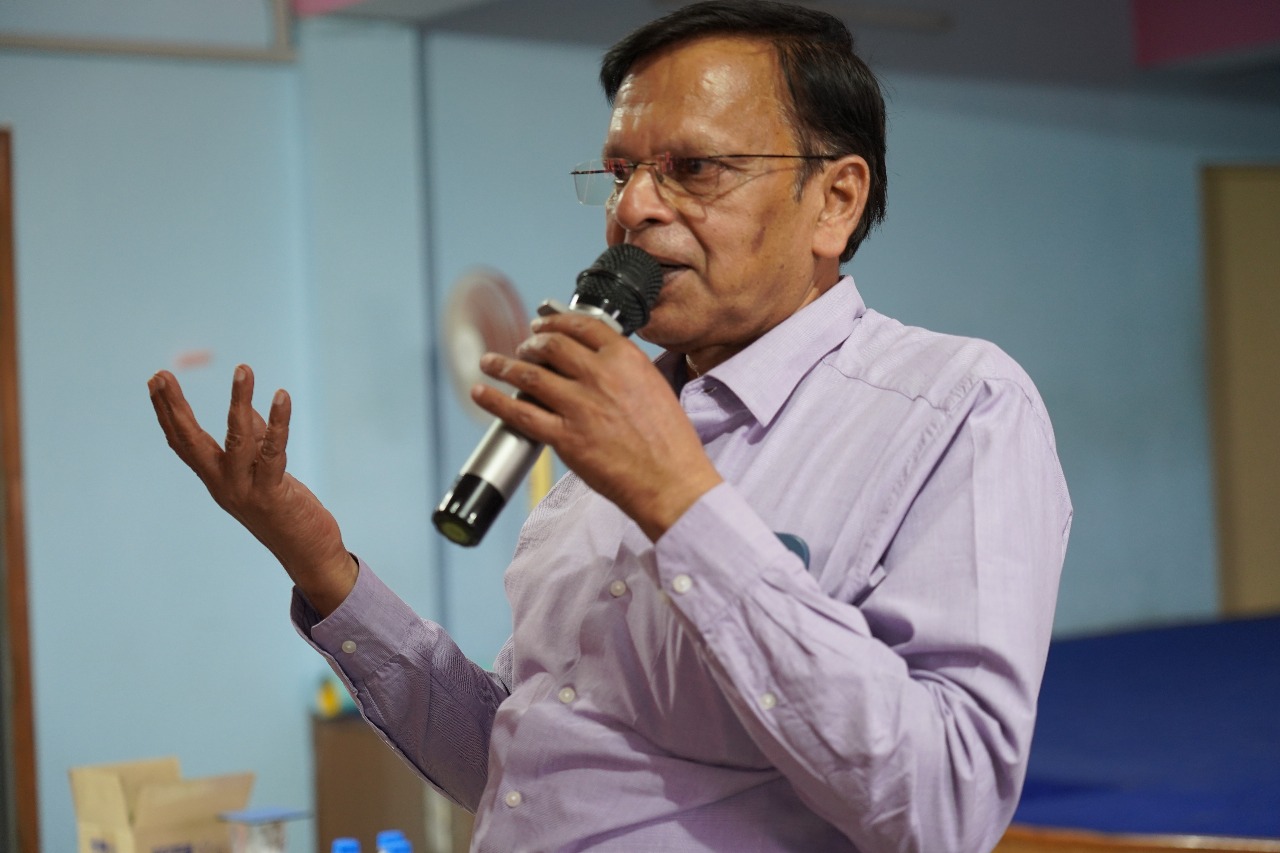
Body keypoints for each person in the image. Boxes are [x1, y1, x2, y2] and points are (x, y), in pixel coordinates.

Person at [147, 1, 1071, 850]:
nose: (632, 208)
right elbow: (520, 766)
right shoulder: (604, 430)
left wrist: (683, 503)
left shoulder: (958, 406)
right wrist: (325, 569)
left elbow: (949, 802)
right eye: (622, 172)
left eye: (694, 169)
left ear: (835, 200)